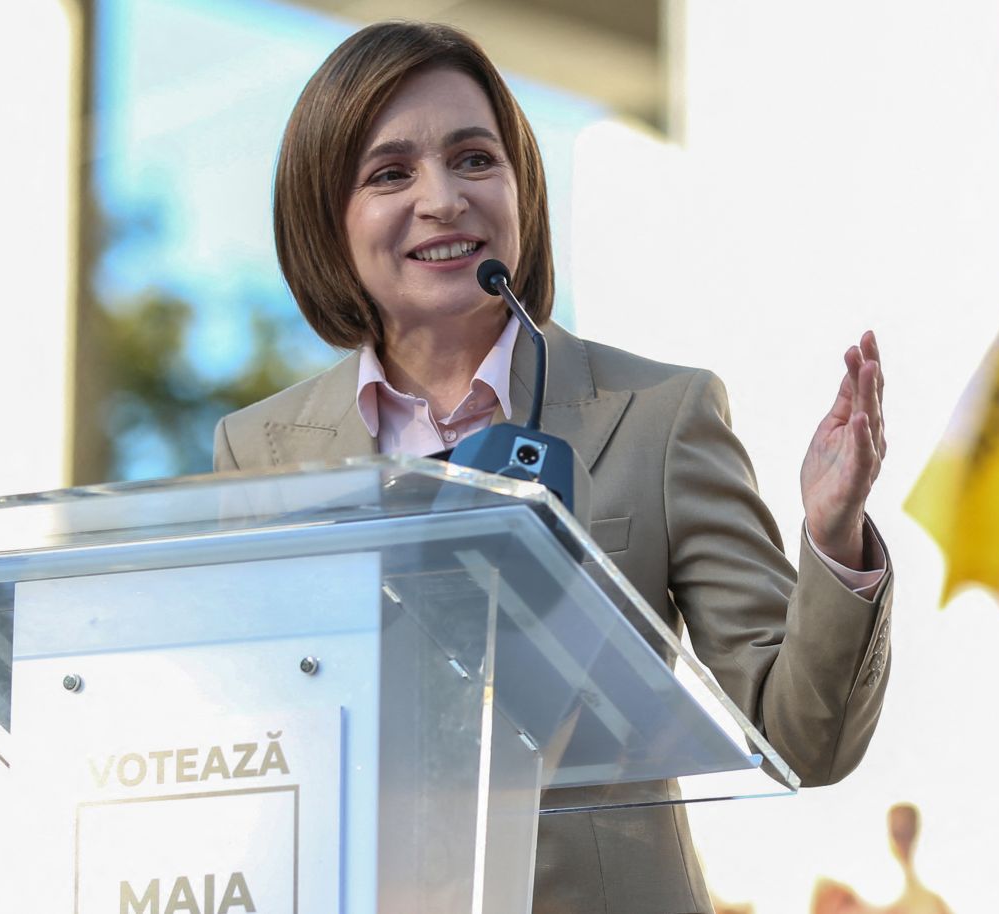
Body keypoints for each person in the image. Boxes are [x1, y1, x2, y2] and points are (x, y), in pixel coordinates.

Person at [213, 21, 894, 914]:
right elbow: (248, 746)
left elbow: (803, 737)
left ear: (520, 189)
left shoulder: (659, 417)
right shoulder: (259, 452)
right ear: (325, 219)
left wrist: (833, 535)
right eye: (391, 173)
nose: (443, 199)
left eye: (474, 159)